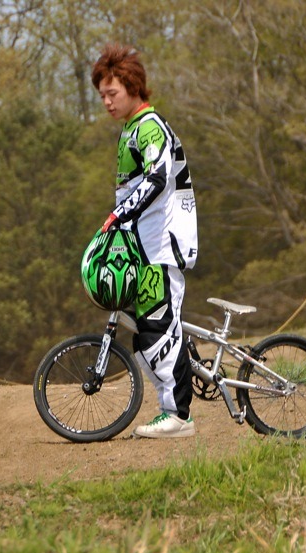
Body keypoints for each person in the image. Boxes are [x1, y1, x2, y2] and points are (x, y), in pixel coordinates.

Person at [91, 44, 199, 438]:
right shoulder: (132, 129)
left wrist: (119, 216)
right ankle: (170, 409)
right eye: (101, 95)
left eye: (112, 93)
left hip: (163, 245)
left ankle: (179, 416)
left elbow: (157, 179)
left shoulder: (149, 126)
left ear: (133, 87)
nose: (106, 102)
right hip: (147, 246)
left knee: (157, 328)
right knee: (146, 333)